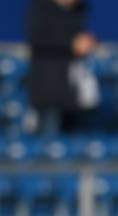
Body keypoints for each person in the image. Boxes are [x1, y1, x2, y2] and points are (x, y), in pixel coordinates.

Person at [26, 0, 97, 135]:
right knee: (47, 139)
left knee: (72, 139)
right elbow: (38, 37)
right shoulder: (41, 8)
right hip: (48, 92)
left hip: (72, 93)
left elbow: (84, 37)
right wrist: (71, 44)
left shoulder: (79, 10)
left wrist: (88, 42)